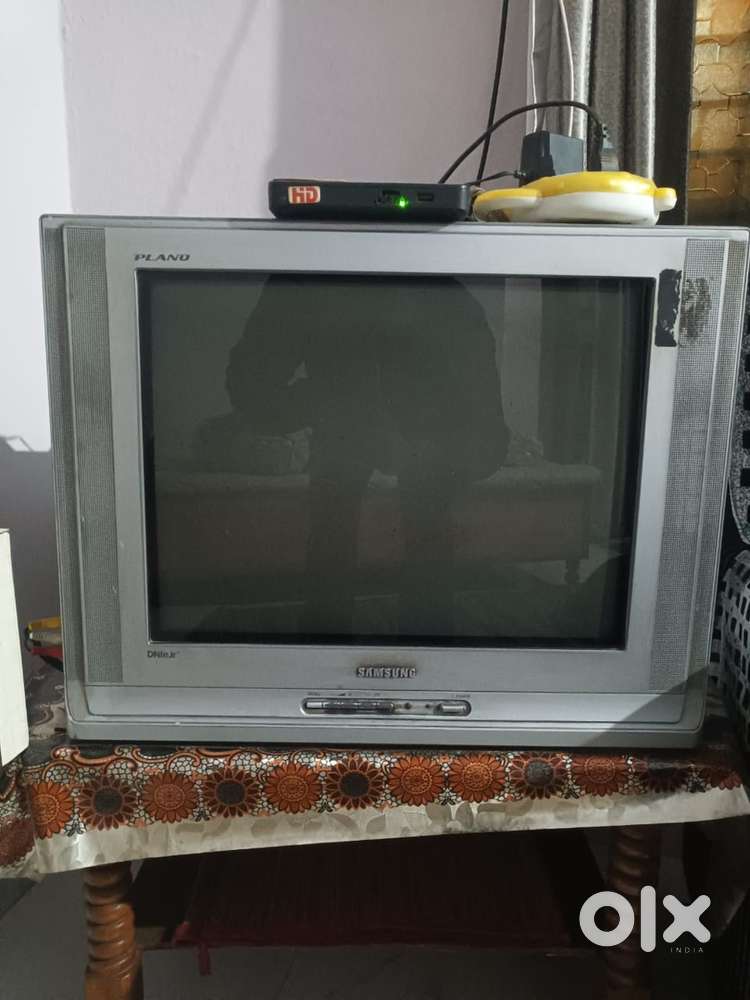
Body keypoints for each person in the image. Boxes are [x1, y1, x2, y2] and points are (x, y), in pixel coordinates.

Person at [225, 274, 508, 637]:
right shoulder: (305, 287)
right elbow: (250, 386)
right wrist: (330, 401)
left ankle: (416, 643)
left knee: (419, 544)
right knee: (338, 539)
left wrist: (439, 447)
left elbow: (489, 436)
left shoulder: (449, 300)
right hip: (351, 446)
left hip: (422, 448)